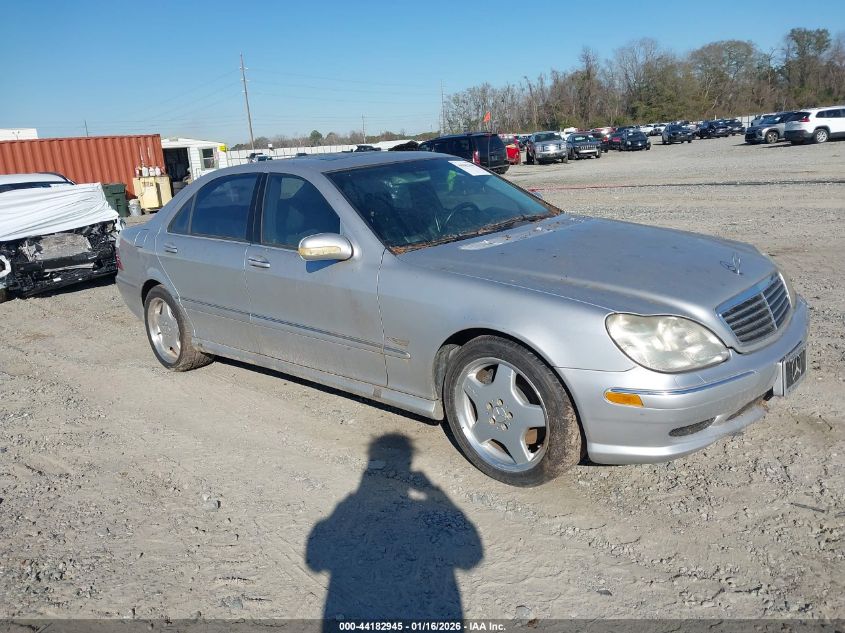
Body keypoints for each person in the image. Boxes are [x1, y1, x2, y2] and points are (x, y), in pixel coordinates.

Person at [306, 434, 483, 629]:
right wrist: (437, 494)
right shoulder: (352, 508)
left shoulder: (347, 508)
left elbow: (315, 561)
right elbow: (472, 558)